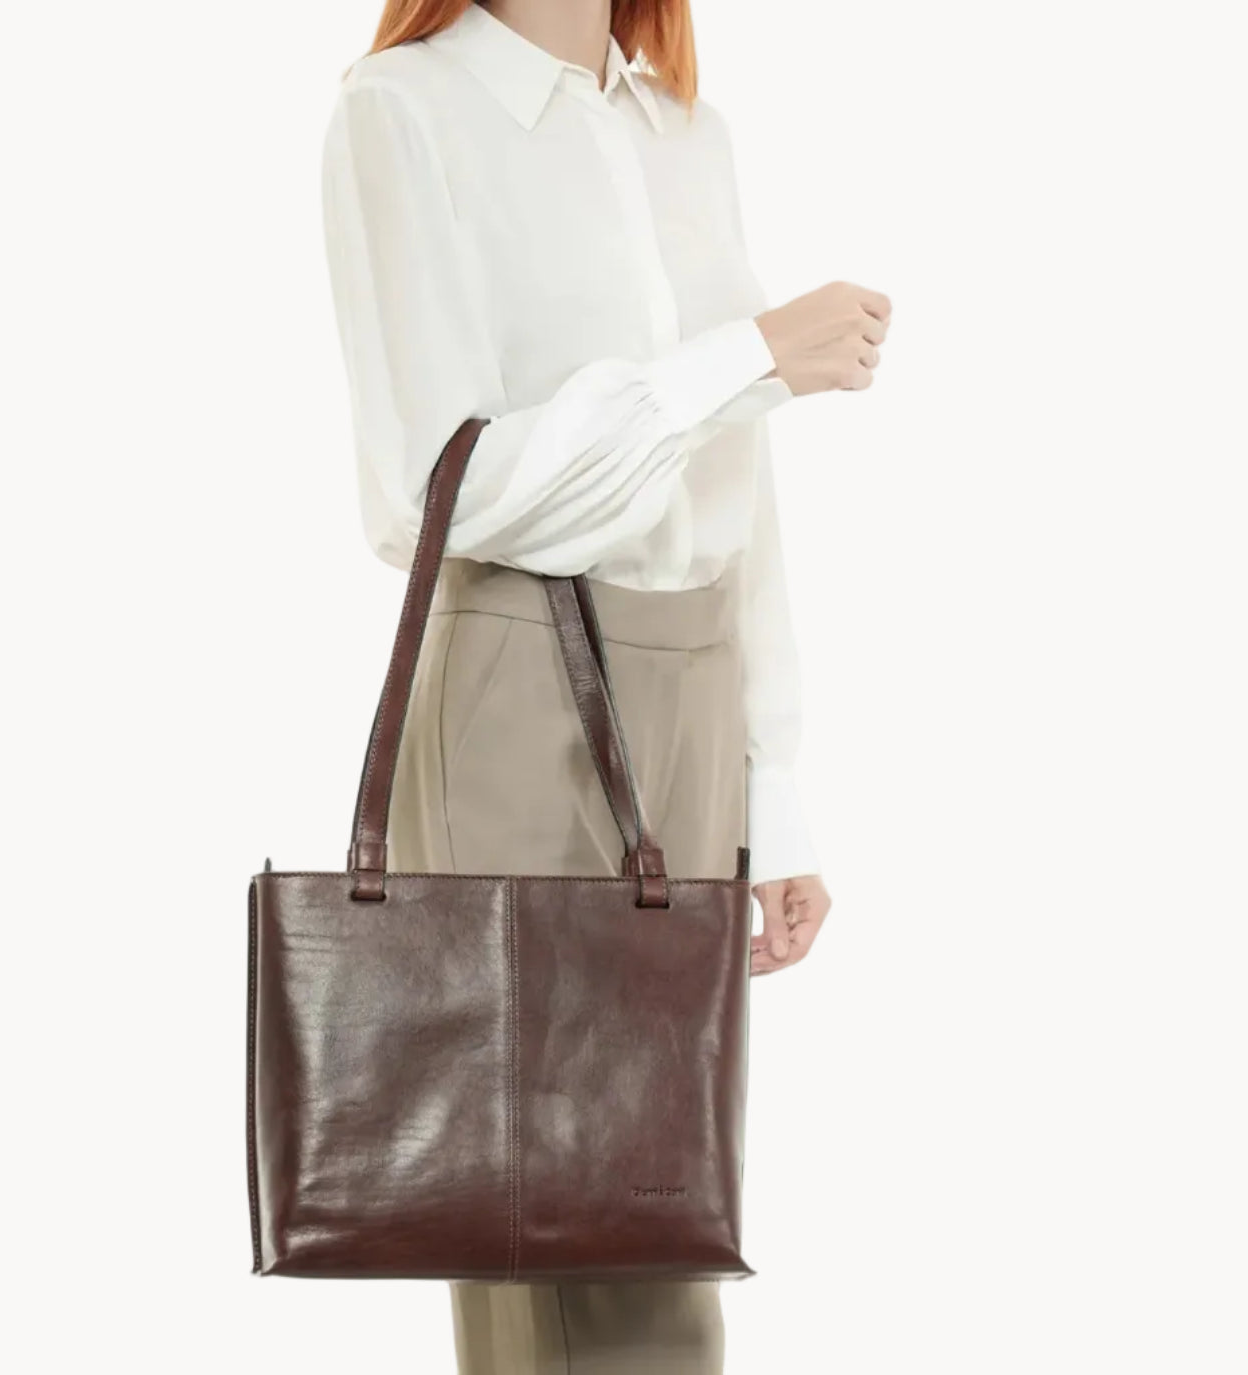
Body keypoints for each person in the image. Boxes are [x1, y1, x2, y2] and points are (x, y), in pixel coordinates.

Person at [319, 1, 890, 1370]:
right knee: (565, 1221)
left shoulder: (689, 130)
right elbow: (434, 489)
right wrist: (743, 359)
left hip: (699, 678)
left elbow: (738, 488)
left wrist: (773, 777)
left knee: (654, 1198)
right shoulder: (405, 110)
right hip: (520, 669)